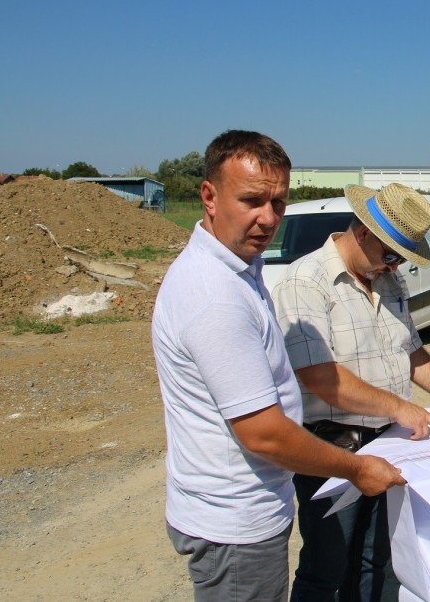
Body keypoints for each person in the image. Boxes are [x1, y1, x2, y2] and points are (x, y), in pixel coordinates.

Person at [152, 130, 406, 602]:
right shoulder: (214, 297)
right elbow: (263, 433)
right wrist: (355, 468)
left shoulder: (238, 270)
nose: (268, 218)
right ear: (209, 196)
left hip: (246, 513)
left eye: (278, 202)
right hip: (234, 524)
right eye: (251, 200)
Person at [272, 182, 430, 602]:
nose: (394, 267)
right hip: (334, 453)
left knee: (375, 562)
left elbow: (411, 352)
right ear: (364, 232)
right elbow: (320, 376)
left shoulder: (388, 280)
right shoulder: (305, 281)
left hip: (388, 447)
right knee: (326, 568)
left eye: (401, 259)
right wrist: (400, 408)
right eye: (390, 256)